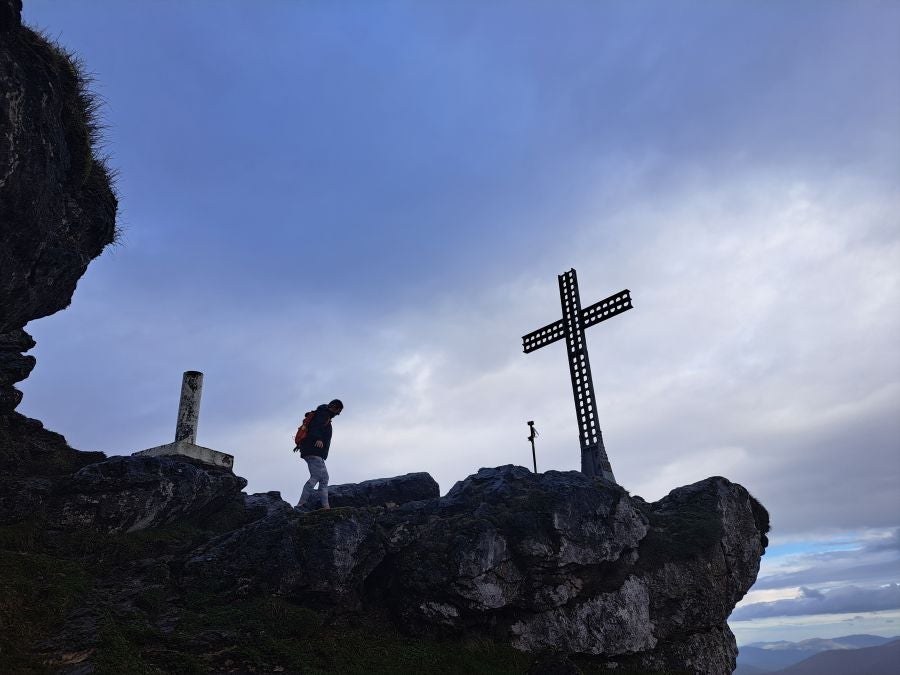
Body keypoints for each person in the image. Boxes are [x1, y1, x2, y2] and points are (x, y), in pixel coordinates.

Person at [295, 398, 343, 510]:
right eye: (338, 410)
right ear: (333, 407)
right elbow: (314, 427)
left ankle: (325, 506)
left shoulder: (323, 415)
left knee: (324, 478)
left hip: (314, 451)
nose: (338, 414)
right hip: (313, 451)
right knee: (316, 476)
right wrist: (319, 439)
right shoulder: (323, 414)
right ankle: (301, 504)